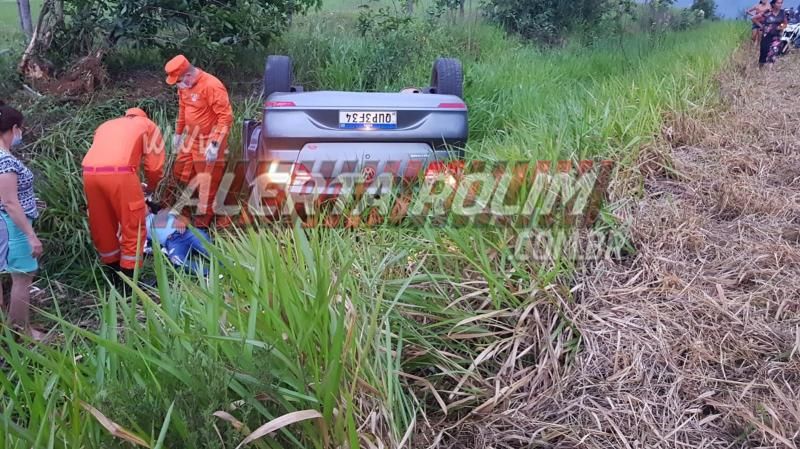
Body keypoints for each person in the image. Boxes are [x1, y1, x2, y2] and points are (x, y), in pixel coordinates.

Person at [82, 108, 167, 289]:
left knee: (102, 224)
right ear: (143, 117)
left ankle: (113, 277)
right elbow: (154, 167)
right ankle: (130, 284)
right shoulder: (148, 126)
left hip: (89, 173)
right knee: (133, 225)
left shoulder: (106, 125)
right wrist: (150, 187)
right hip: (121, 174)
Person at [163, 54, 234, 230]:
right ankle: (178, 211)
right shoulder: (184, 87)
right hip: (191, 139)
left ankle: (202, 226)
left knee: (206, 185)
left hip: (209, 144)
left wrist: (216, 144)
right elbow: (182, 109)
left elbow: (225, 117)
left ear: (187, 75)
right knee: (180, 173)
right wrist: (178, 134)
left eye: (178, 80)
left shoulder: (211, 86)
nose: (178, 85)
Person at [0, 102, 44, 338]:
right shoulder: (4, 161)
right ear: (14, 128)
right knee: (23, 276)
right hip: (13, 225)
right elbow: (9, 202)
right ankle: (21, 331)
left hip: (6, 222)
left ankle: (8, 329)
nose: (21, 134)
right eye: (20, 129)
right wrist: (31, 235)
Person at [144, 201, 213, 278]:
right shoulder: (139, 227)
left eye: (143, 207)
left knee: (205, 245)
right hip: (172, 242)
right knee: (177, 260)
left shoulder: (163, 211)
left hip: (186, 233)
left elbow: (187, 221)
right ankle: (209, 273)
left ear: (149, 207)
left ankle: (223, 264)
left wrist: (181, 221)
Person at [753, 0, 788, 69]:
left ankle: (770, 70)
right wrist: (761, 26)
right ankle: (761, 67)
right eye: (778, 3)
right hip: (766, 35)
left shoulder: (782, 13)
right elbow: (754, 19)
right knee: (764, 52)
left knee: (774, 51)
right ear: (774, 4)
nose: (780, 5)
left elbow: (785, 23)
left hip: (776, 36)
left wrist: (781, 27)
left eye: (781, 3)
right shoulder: (768, 12)